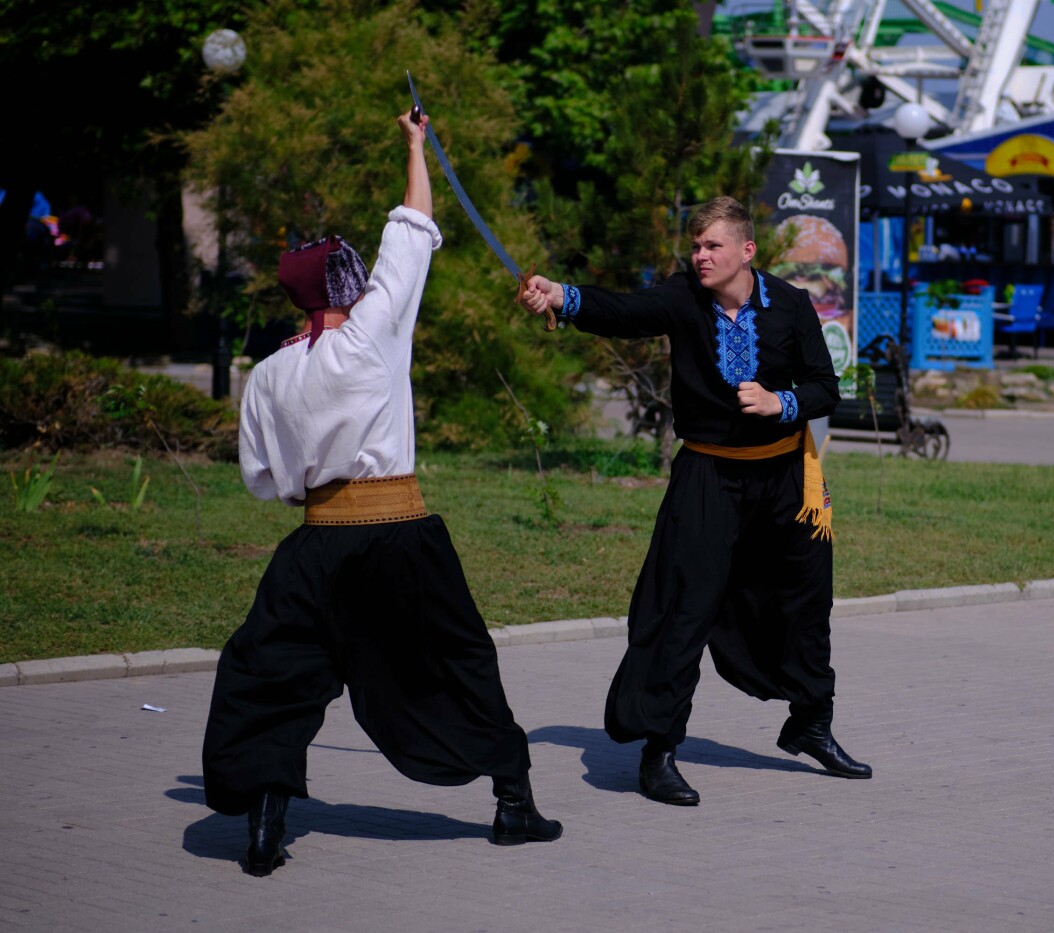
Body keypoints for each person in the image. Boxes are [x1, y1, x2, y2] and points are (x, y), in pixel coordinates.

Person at [201, 110, 561, 877]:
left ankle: (266, 822)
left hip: (314, 544)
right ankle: (513, 804)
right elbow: (414, 225)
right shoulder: (374, 331)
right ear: (350, 285)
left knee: (275, 672)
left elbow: (263, 480)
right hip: (398, 533)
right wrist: (415, 146)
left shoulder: (266, 374)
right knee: (456, 660)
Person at [520, 196, 872, 806]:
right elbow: (624, 310)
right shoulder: (684, 298)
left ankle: (811, 723)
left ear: (746, 250)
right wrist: (561, 296)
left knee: (805, 605)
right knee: (682, 609)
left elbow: (825, 388)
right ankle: (659, 751)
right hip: (708, 479)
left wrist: (779, 404)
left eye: (712, 245)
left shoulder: (790, 303)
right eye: (696, 246)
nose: (700, 256)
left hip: (787, 483)